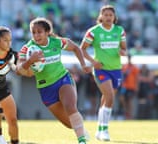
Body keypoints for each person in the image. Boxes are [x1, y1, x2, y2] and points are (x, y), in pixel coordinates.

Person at [17, 17, 90, 144]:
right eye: (33, 32)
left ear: (47, 32)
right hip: (45, 89)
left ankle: (82, 140)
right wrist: (30, 61)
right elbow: (18, 70)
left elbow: (76, 48)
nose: (36, 35)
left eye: (39, 32)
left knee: (70, 106)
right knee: (69, 124)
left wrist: (83, 64)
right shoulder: (27, 49)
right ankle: (82, 131)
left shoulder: (56, 42)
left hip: (63, 79)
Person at [80, 5, 127, 141]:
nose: (108, 17)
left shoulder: (119, 31)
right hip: (101, 69)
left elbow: (124, 50)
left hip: (116, 69)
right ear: (101, 17)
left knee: (107, 99)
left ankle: (99, 130)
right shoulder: (93, 32)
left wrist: (122, 52)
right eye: (105, 15)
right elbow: (82, 49)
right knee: (110, 97)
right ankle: (105, 130)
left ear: (114, 17)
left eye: (110, 15)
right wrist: (93, 62)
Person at [119, 55, 140, 119]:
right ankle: (126, 112)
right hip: (124, 87)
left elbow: (137, 78)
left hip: (131, 86)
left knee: (130, 101)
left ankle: (130, 115)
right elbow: (121, 75)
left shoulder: (134, 67)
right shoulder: (124, 66)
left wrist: (137, 87)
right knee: (122, 99)